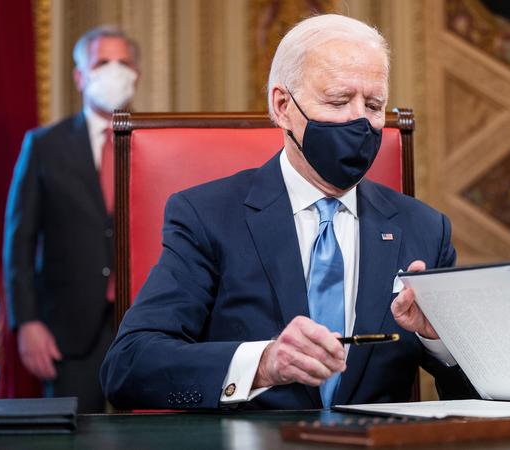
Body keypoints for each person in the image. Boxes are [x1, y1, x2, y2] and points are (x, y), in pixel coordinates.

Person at [100, 14, 476, 410]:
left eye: (374, 105)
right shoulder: (206, 217)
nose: (359, 121)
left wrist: (440, 342)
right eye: (337, 101)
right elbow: (128, 367)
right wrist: (262, 365)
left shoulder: (424, 229)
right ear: (283, 106)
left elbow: (485, 396)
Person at [3, 25, 140, 412]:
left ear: (137, 74)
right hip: (70, 331)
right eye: (102, 62)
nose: (114, 71)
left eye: (123, 62)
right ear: (80, 75)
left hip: (143, 325)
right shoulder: (44, 146)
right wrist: (27, 322)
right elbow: (20, 241)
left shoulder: (156, 141)